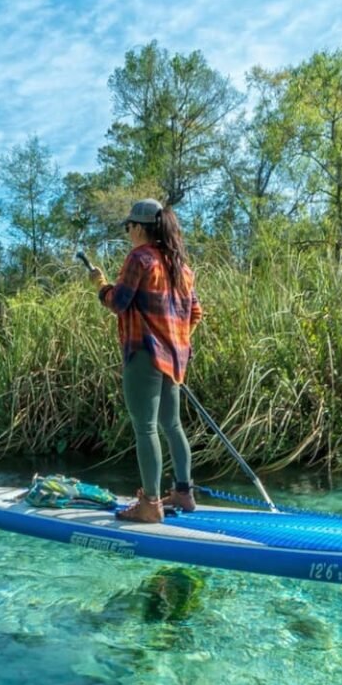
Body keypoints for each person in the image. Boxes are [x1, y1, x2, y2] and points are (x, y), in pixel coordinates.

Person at [89, 198, 202, 524]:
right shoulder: (182, 267)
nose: (127, 232)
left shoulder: (140, 258)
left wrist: (100, 286)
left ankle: (150, 504)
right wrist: (178, 339)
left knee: (145, 428)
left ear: (140, 227)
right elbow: (195, 313)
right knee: (172, 425)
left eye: (129, 226)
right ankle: (184, 492)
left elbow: (119, 301)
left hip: (144, 355)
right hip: (174, 358)